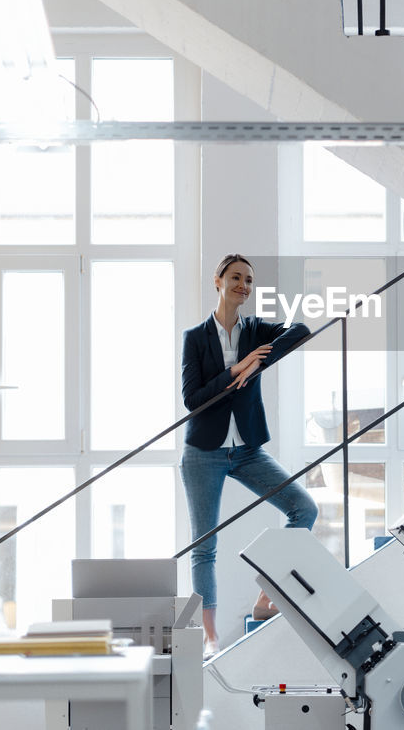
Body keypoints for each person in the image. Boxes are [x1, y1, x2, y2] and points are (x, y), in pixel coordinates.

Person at [180, 253, 316, 655]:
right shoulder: (195, 337)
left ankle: (265, 596)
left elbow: (302, 329)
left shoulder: (257, 330)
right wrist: (236, 370)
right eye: (236, 277)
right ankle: (209, 635)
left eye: (249, 281)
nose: (244, 285)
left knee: (303, 508)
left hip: (247, 450)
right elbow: (193, 399)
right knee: (204, 545)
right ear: (218, 281)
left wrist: (261, 360)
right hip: (203, 451)